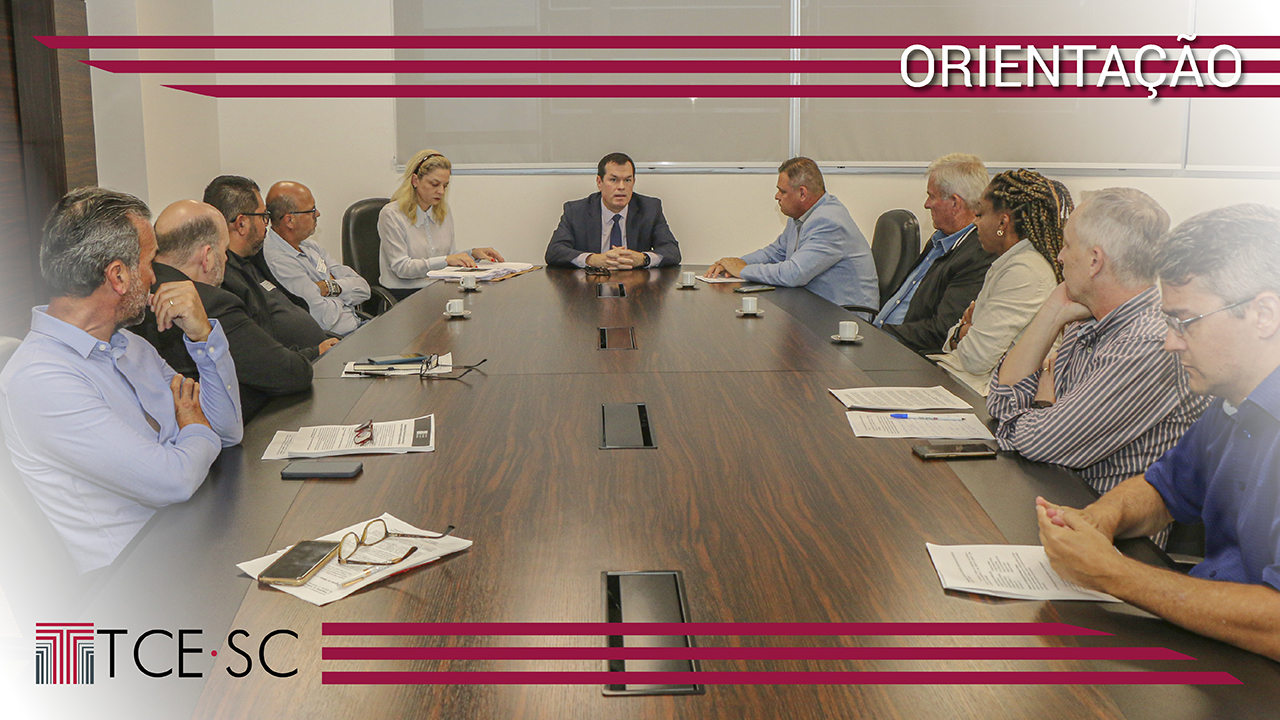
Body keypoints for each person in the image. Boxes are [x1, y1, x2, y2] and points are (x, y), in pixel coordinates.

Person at [1037, 204, 1280, 662]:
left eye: (1185, 322)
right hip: (1220, 642)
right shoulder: (1230, 403)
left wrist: (1113, 574)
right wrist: (1099, 520)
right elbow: (1161, 490)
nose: (1170, 341)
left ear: (1263, 314)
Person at [0, 188, 242, 574]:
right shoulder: (41, 380)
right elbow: (173, 481)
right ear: (117, 276)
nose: (154, 277)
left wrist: (201, 338)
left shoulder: (129, 345)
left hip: (192, 533)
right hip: (137, 579)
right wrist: (192, 426)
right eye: (149, 262)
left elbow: (228, 432)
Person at [987, 188, 1210, 499]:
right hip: (1060, 499)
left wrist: (1039, 412)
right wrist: (1051, 315)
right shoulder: (1088, 321)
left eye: (1067, 245)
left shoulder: (1148, 345)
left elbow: (1038, 441)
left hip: (1109, 533)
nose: (1060, 256)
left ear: (1094, 261)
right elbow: (999, 404)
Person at [137, 199, 339, 420]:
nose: (225, 259)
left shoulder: (139, 294)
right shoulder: (212, 303)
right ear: (206, 257)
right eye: (223, 251)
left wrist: (310, 352)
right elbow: (289, 374)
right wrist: (312, 354)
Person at [929, 170, 1071, 396]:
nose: (975, 223)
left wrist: (963, 331)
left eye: (980, 215)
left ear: (1002, 222)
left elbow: (974, 359)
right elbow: (956, 340)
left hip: (985, 397)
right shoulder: (1012, 261)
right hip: (967, 383)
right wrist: (962, 332)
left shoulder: (1024, 271)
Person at [706, 157, 877, 310]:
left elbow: (794, 274)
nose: (776, 196)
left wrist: (742, 270)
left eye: (783, 191)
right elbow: (775, 253)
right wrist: (735, 263)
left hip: (846, 318)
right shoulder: (800, 217)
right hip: (817, 308)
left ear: (802, 193)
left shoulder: (829, 222)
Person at [875, 153, 997, 354]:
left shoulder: (977, 255)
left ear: (955, 203)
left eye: (932, 196)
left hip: (907, 354)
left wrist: (879, 334)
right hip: (886, 340)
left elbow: (942, 330)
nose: (926, 204)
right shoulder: (940, 239)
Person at [204, 175, 336, 350]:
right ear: (241, 224)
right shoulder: (226, 280)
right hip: (302, 365)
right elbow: (259, 353)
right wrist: (314, 353)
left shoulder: (255, 259)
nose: (267, 224)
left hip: (319, 351)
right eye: (263, 216)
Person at [379, 149, 505, 300]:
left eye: (445, 186)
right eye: (434, 184)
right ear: (415, 180)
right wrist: (446, 260)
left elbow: (450, 256)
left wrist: (472, 254)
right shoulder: (392, 214)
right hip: (404, 294)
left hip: (438, 289)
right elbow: (402, 268)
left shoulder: (443, 212)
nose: (441, 191)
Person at [262, 181, 371, 336]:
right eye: (311, 210)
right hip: (337, 341)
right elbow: (323, 317)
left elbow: (364, 289)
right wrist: (344, 294)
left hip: (358, 326)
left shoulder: (310, 246)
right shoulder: (279, 261)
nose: (318, 213)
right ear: (289, 220)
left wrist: (328, 287)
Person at [545, 152, 681, 270]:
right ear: (599, 182)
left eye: (627, 180)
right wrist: (592, 260)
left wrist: (643, 258)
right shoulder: (576, 211)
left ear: (634, 182)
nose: (621, 187)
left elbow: (672, 251)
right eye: (614, 180)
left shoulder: (649, 208)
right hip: (590, 286)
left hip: (636, 287)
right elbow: (554, 252)